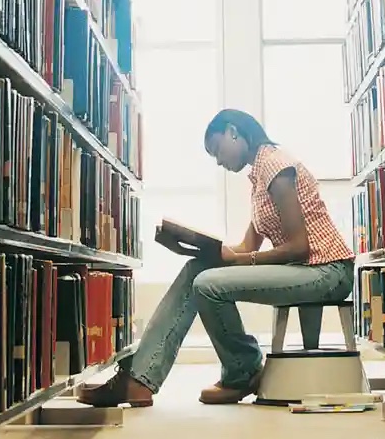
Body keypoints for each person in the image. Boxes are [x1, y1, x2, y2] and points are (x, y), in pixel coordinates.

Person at [76, 109, 355, 407]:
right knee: (197, 269)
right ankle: (139, 378)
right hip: (306, 269)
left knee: (208, 284)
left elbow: (300, 247)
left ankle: (242, 372)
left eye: (218, 150)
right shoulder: (259, 176)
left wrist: (238, 261)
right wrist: (204, 250)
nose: (220, 161)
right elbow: (248, 245)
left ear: (233, 131)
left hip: (327, 271)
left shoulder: (275, 165)